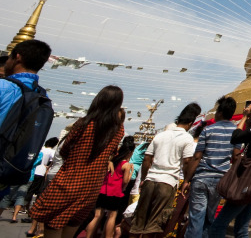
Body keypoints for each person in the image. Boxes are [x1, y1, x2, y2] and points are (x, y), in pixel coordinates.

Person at [30, 85, 125, 238]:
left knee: (54, 223)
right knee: (72, 224)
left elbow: (65, 149)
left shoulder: (84, 123)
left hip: (69, 180)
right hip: (91, 187)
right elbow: (112, 152)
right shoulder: (118, 130)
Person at [209, 88, 251, 238]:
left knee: (218, 226)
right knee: (241, 227)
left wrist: (243, 118)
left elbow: (236, 137)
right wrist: (250, 123)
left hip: (249, 176)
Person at [131, 103, 202, 237]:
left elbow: (147, 159)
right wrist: (186, 180)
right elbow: (187, 162)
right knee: (154, 225)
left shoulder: (160, 136)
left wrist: (143, 179)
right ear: (191, 123)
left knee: (138, 224)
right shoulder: (187, 138)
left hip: (150, 180)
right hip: (167, 183)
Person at [185, 96, 238, 238]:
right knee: (210, 217)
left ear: (219, 113)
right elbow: (237, 156)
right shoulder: (236, 132)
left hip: (202, 177)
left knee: (196, 217)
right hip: (221, 179)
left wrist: (186, 180)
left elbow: (197, 157)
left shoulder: (208, 130)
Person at [85, 136, 134, 238]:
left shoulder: (114, 160)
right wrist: (131, 172)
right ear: (130, 152)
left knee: (97, 215)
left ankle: (88, 236)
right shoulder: (126, 165)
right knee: (112, 216)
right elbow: (125, 181)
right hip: (115, 192)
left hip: (104, 189)